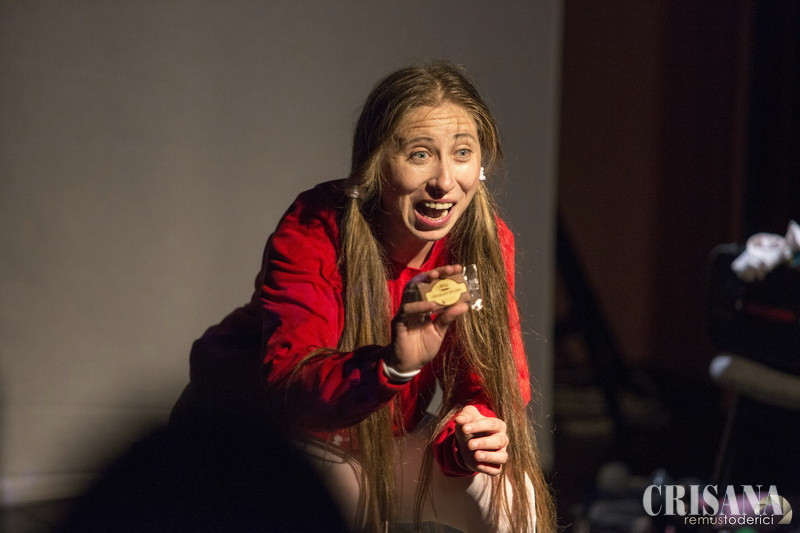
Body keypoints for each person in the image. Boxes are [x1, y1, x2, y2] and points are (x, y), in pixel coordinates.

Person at [183, 61, 555, 532]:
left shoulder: (484, 241)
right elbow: (291, 387)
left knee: (508, 495)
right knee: (330, 495)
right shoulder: (317, 226)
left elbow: (488, 382)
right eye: (420, 155)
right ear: (375, 163)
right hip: (262, 433)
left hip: (383, 439)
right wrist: (392, 366)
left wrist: (467, 438)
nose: (444, 181)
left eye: (462, 153)